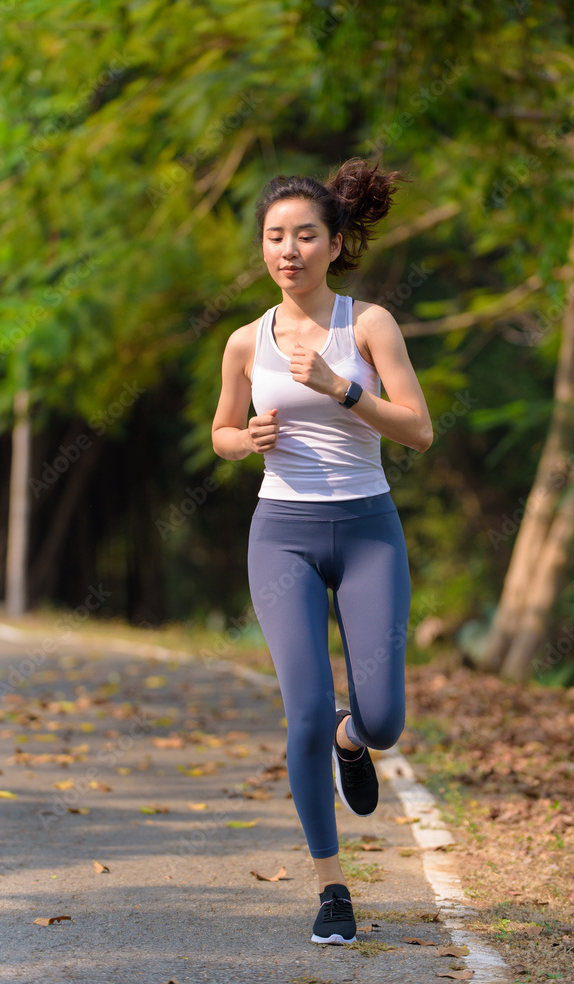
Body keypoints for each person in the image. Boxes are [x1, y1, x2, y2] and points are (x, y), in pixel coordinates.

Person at [211, 157, 433, 945]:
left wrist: (345, 388)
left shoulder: (367, 326)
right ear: (264, 249)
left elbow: (420, 429)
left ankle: (353, 740)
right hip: (283, 537)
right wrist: (248, 439)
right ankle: (331, 886)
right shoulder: (245, 342)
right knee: (301, 710)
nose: (289, 249)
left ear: (335, 243)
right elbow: (223, 432)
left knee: (382, 720)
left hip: (369, 529)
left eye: (306, 235)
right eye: (275, 236)